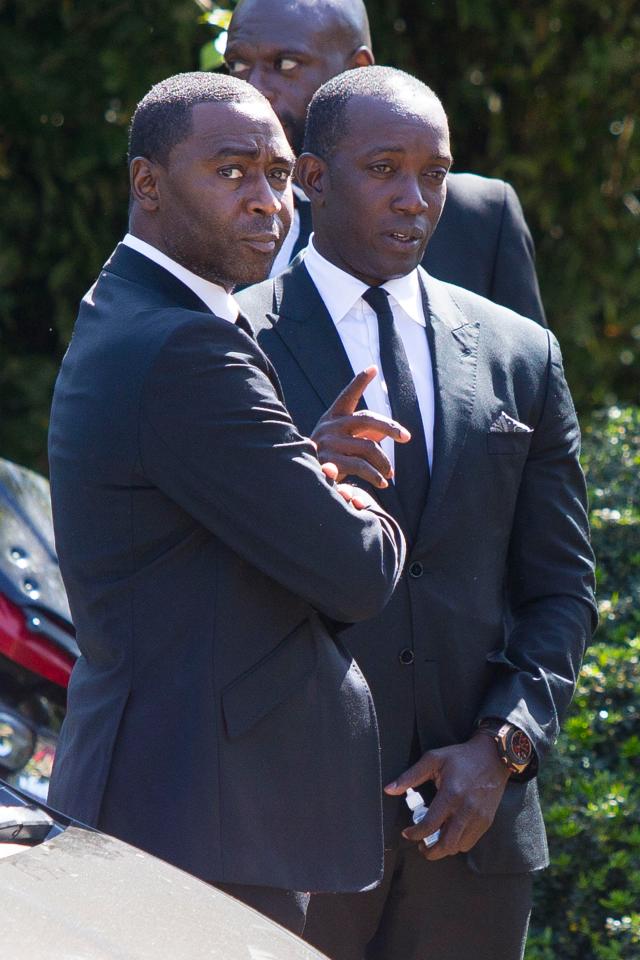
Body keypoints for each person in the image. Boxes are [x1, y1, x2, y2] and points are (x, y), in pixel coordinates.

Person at [237, 66, 597, 960]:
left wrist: (502, 748)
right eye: (385, 168)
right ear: (314, 179)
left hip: (473, 836)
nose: (415, 199)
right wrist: (300, 470)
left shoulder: (522, 354)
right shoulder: (229, 342)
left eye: (434, 173)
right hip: (282, 830)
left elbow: (562, 590)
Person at [46, 71, 406, 935]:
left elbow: (189, 511)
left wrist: (295, 466)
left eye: (280, 176)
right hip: (193, 827)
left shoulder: (138, 311)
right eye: (233, 171)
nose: (268, 202)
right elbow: (358, 571)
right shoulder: (186, 345)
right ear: (149, 185)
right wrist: (345, 488)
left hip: (180, 808)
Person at [225, 0, 547, 326]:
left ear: (356, 70)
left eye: (285, 64)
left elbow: (522, 368)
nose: (253, 89)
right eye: (237, 66)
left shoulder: (475, 220)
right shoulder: (205, 215)